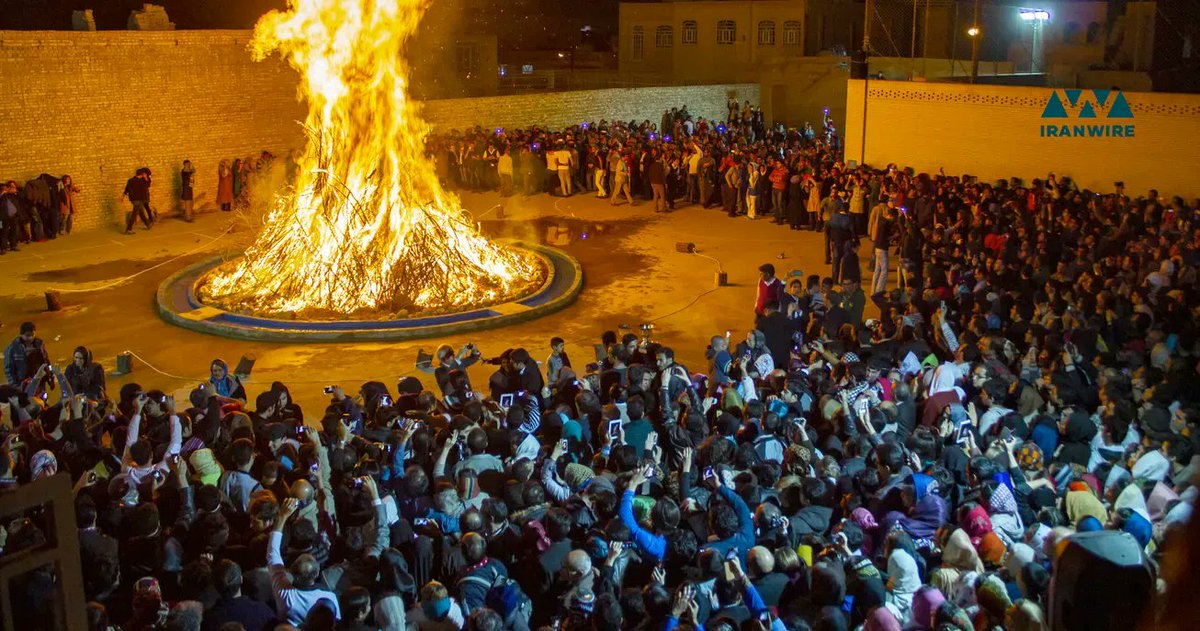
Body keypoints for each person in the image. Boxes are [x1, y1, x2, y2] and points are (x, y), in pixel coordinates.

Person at [4, 321, 49, 386]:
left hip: (39, 381)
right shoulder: (13, 347)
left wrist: (50, 376)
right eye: (27, 335)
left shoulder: (39, 344)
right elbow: (8, 368)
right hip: (22, 382)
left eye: (32, 335)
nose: (30, 338)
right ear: (21, 334)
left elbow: (46, 360)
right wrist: (14, 384)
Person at [121, 167, 153, 235]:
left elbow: (126, 189)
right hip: (139, 199)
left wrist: (122, 196)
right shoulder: (142, 181)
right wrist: (146, 178)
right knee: (134, 214)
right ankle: (128, 229)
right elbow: (148, 185)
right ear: (142, 174)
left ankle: (147, 224)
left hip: (133, 199)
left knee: (140, 211)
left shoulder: (130, 180)